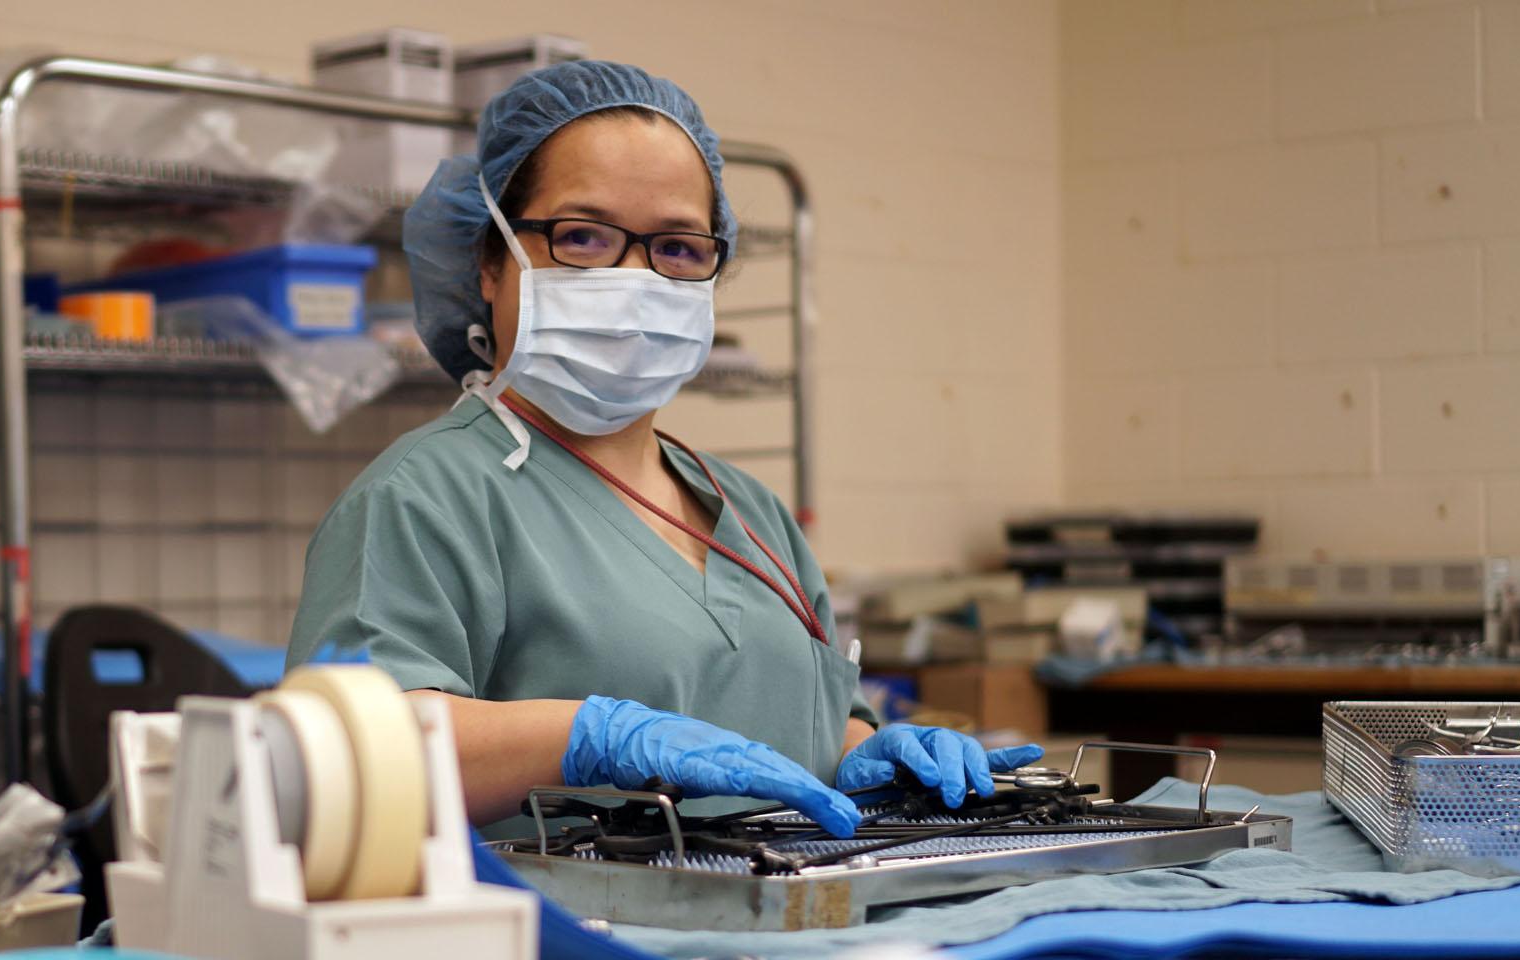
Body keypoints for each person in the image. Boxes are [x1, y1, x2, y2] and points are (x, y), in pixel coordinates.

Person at [285, 61, 1041, 835]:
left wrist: (867, 754)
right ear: (489, 261)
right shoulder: (424, 498)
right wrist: (586, 741)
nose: (634, 279)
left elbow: (799, 721)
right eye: (582, 237)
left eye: (678, 249)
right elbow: (351, 757)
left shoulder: (751, 513)